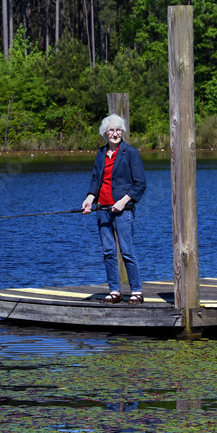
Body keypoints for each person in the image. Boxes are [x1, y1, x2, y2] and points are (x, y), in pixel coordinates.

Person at [81, 115, 147, 304]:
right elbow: (96, 179)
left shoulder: (130, 152)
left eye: (118, 130)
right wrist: (89, 198)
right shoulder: (101, 153)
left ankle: (136, 291)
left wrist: (123, 202)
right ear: (105, 133)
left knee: (126, 250)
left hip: (122, 210)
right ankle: (115, 291)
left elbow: (140, 184)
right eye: (111, 130)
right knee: (108, 251)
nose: (115, 133)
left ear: (122, 132)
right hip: (102, 208)